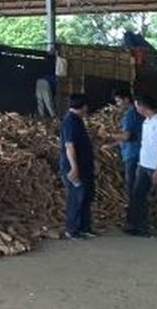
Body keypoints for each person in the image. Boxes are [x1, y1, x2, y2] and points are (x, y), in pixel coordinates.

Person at [126, 94, 157, 242]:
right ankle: (139, 225)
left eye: (137, 106)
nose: (136, 109)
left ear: (143, 107)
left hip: (156, 167)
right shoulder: (147, 121)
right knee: (138, 195)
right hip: (144, 165)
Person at [59, 93, 96, 240]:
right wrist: (74, 167)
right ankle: (72, 229)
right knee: (76, 198)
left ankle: (85, 227)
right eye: (86, 106)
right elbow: (69, 146)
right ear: (83, 106)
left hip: (84, 166)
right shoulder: (69, 121)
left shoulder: (78, 120)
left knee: (86, 197)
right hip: (74, 167)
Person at [109, 87, 143, 199]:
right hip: (139, 152)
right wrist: (111, 145)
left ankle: (134, 207)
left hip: (132, 154)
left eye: (119, 101)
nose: (117, 104)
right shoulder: (138, 112)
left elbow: (126, 136)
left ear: (127, 99)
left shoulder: (129, 114)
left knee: (131, 185)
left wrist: (109, 135)